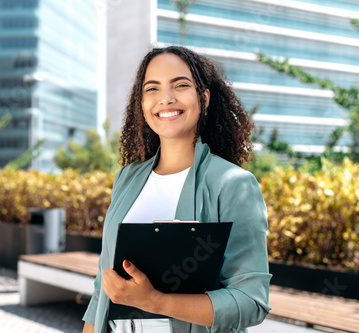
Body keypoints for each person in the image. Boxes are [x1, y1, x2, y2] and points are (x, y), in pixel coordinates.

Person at [82, 45, 272, 333]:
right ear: (141, 102)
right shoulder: (127, 178)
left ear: (204, 98)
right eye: (152, 89)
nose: (166, 99)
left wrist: (156, 301)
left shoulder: (232, 184)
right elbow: (103, 286)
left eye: (180, 85)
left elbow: (250, 301)